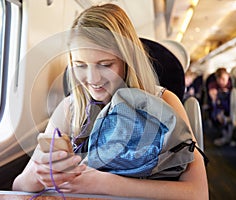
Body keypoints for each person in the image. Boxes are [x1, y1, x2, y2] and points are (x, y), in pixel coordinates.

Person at [12, 3, 208, 199]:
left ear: (128, 60)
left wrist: (102, 183)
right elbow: (19, 187)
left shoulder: (164, 101)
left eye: (105, 65)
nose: (93, 79)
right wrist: (37, 173)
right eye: (80, 65)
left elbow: (198, 193)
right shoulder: (71, 108)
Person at [207, 67, 232, 146]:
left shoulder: (232, 85)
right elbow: (214, 102)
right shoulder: (213, 86)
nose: (222, 82)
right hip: (219, 108)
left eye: (224, 79)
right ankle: (224, 135)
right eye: (219, 79)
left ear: (228, 77)